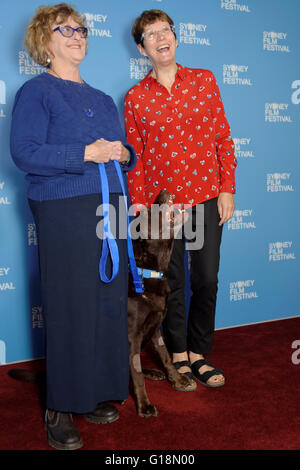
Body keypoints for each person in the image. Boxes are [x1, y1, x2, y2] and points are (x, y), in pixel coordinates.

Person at [10, 3, 136, 450]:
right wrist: (84, 154)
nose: (77, 35)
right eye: (65, 30)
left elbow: (121, 151)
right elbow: (24, 153)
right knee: (69, 305)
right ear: (45, 42)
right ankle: (58, 406)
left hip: (112, 208)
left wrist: (125, 157)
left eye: (81, 29)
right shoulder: (36, 91)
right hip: (64, 208)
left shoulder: (102, 98)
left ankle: (91, 393)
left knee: (105, 303)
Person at [124, 9, 237, 390]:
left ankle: (200, 353)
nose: (161, 38)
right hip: (163, 208)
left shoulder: (204, 81)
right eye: (151, 35)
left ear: (175, 37)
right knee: (168, 283)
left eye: (165, 30)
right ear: (142, 49)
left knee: (206, 278)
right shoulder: (136, 97)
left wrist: (227, 188)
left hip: (206, 195)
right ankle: (177, 354)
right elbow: (134, 160)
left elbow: (223, 137)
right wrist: (141, 207)